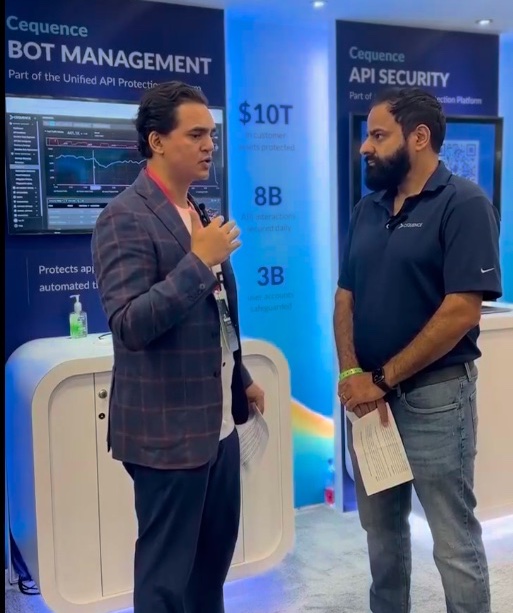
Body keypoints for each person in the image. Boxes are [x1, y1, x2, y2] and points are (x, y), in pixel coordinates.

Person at [91, 80, 265, 613]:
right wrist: (198, 261)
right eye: (196, 134)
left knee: (211, 568)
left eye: (211, 134)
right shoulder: (124, 216)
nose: (209, 144)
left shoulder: (200, 213)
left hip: (219, 428)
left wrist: (241, 379)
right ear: (157, 141)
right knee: (167, 580)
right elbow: (129, 324)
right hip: (166, 433)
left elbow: (219, 315)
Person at [333, 87, 501, 613]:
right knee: (382, 541)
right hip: (369, 405)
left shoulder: (464, 203)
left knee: (453, 544)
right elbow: (345, 299)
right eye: (368, 136)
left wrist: (381, 380)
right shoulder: (367, 209)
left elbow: (460, 311)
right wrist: (354, 377)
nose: (366, 147)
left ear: (419, 137)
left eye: (379, 135)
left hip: (435, 401)